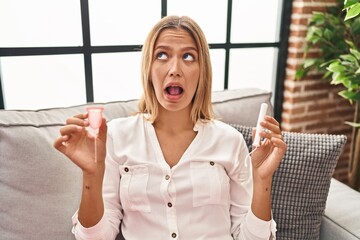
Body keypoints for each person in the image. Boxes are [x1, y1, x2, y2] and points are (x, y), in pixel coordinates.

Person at [54, 15, 287, 240]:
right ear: (149, 68)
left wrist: (263, 182)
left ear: (201, 72)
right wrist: (91, 176)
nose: (174, 69)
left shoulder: (230, 141)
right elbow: (96, 237)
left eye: (188, 57)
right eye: (162, 55)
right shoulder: (116, 136)